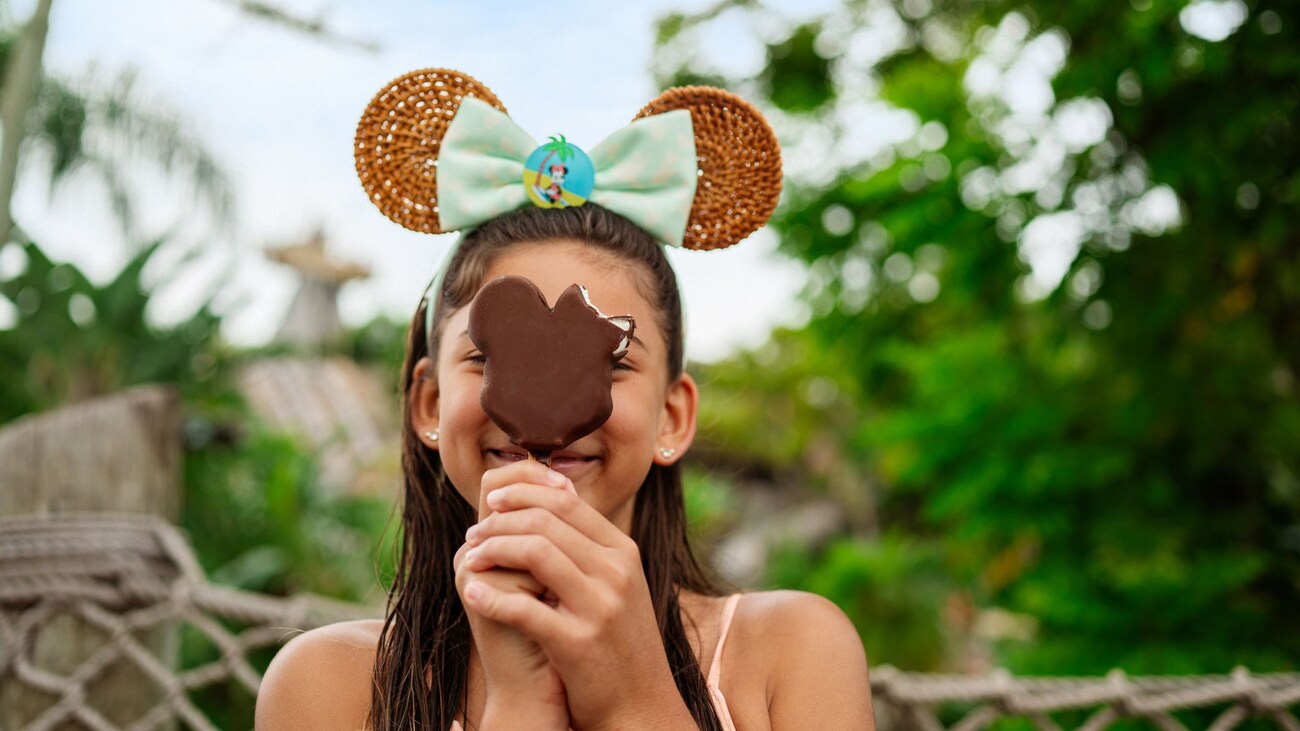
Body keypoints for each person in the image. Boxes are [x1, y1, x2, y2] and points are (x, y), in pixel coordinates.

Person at [255, 69, 875, 730]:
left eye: (609, 361)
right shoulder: (329, 684)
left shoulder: (792, 651)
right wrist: (520, 705)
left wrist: (633, 696)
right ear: (431, 404)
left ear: (673, 416)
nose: (548, 417)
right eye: (491, 357)